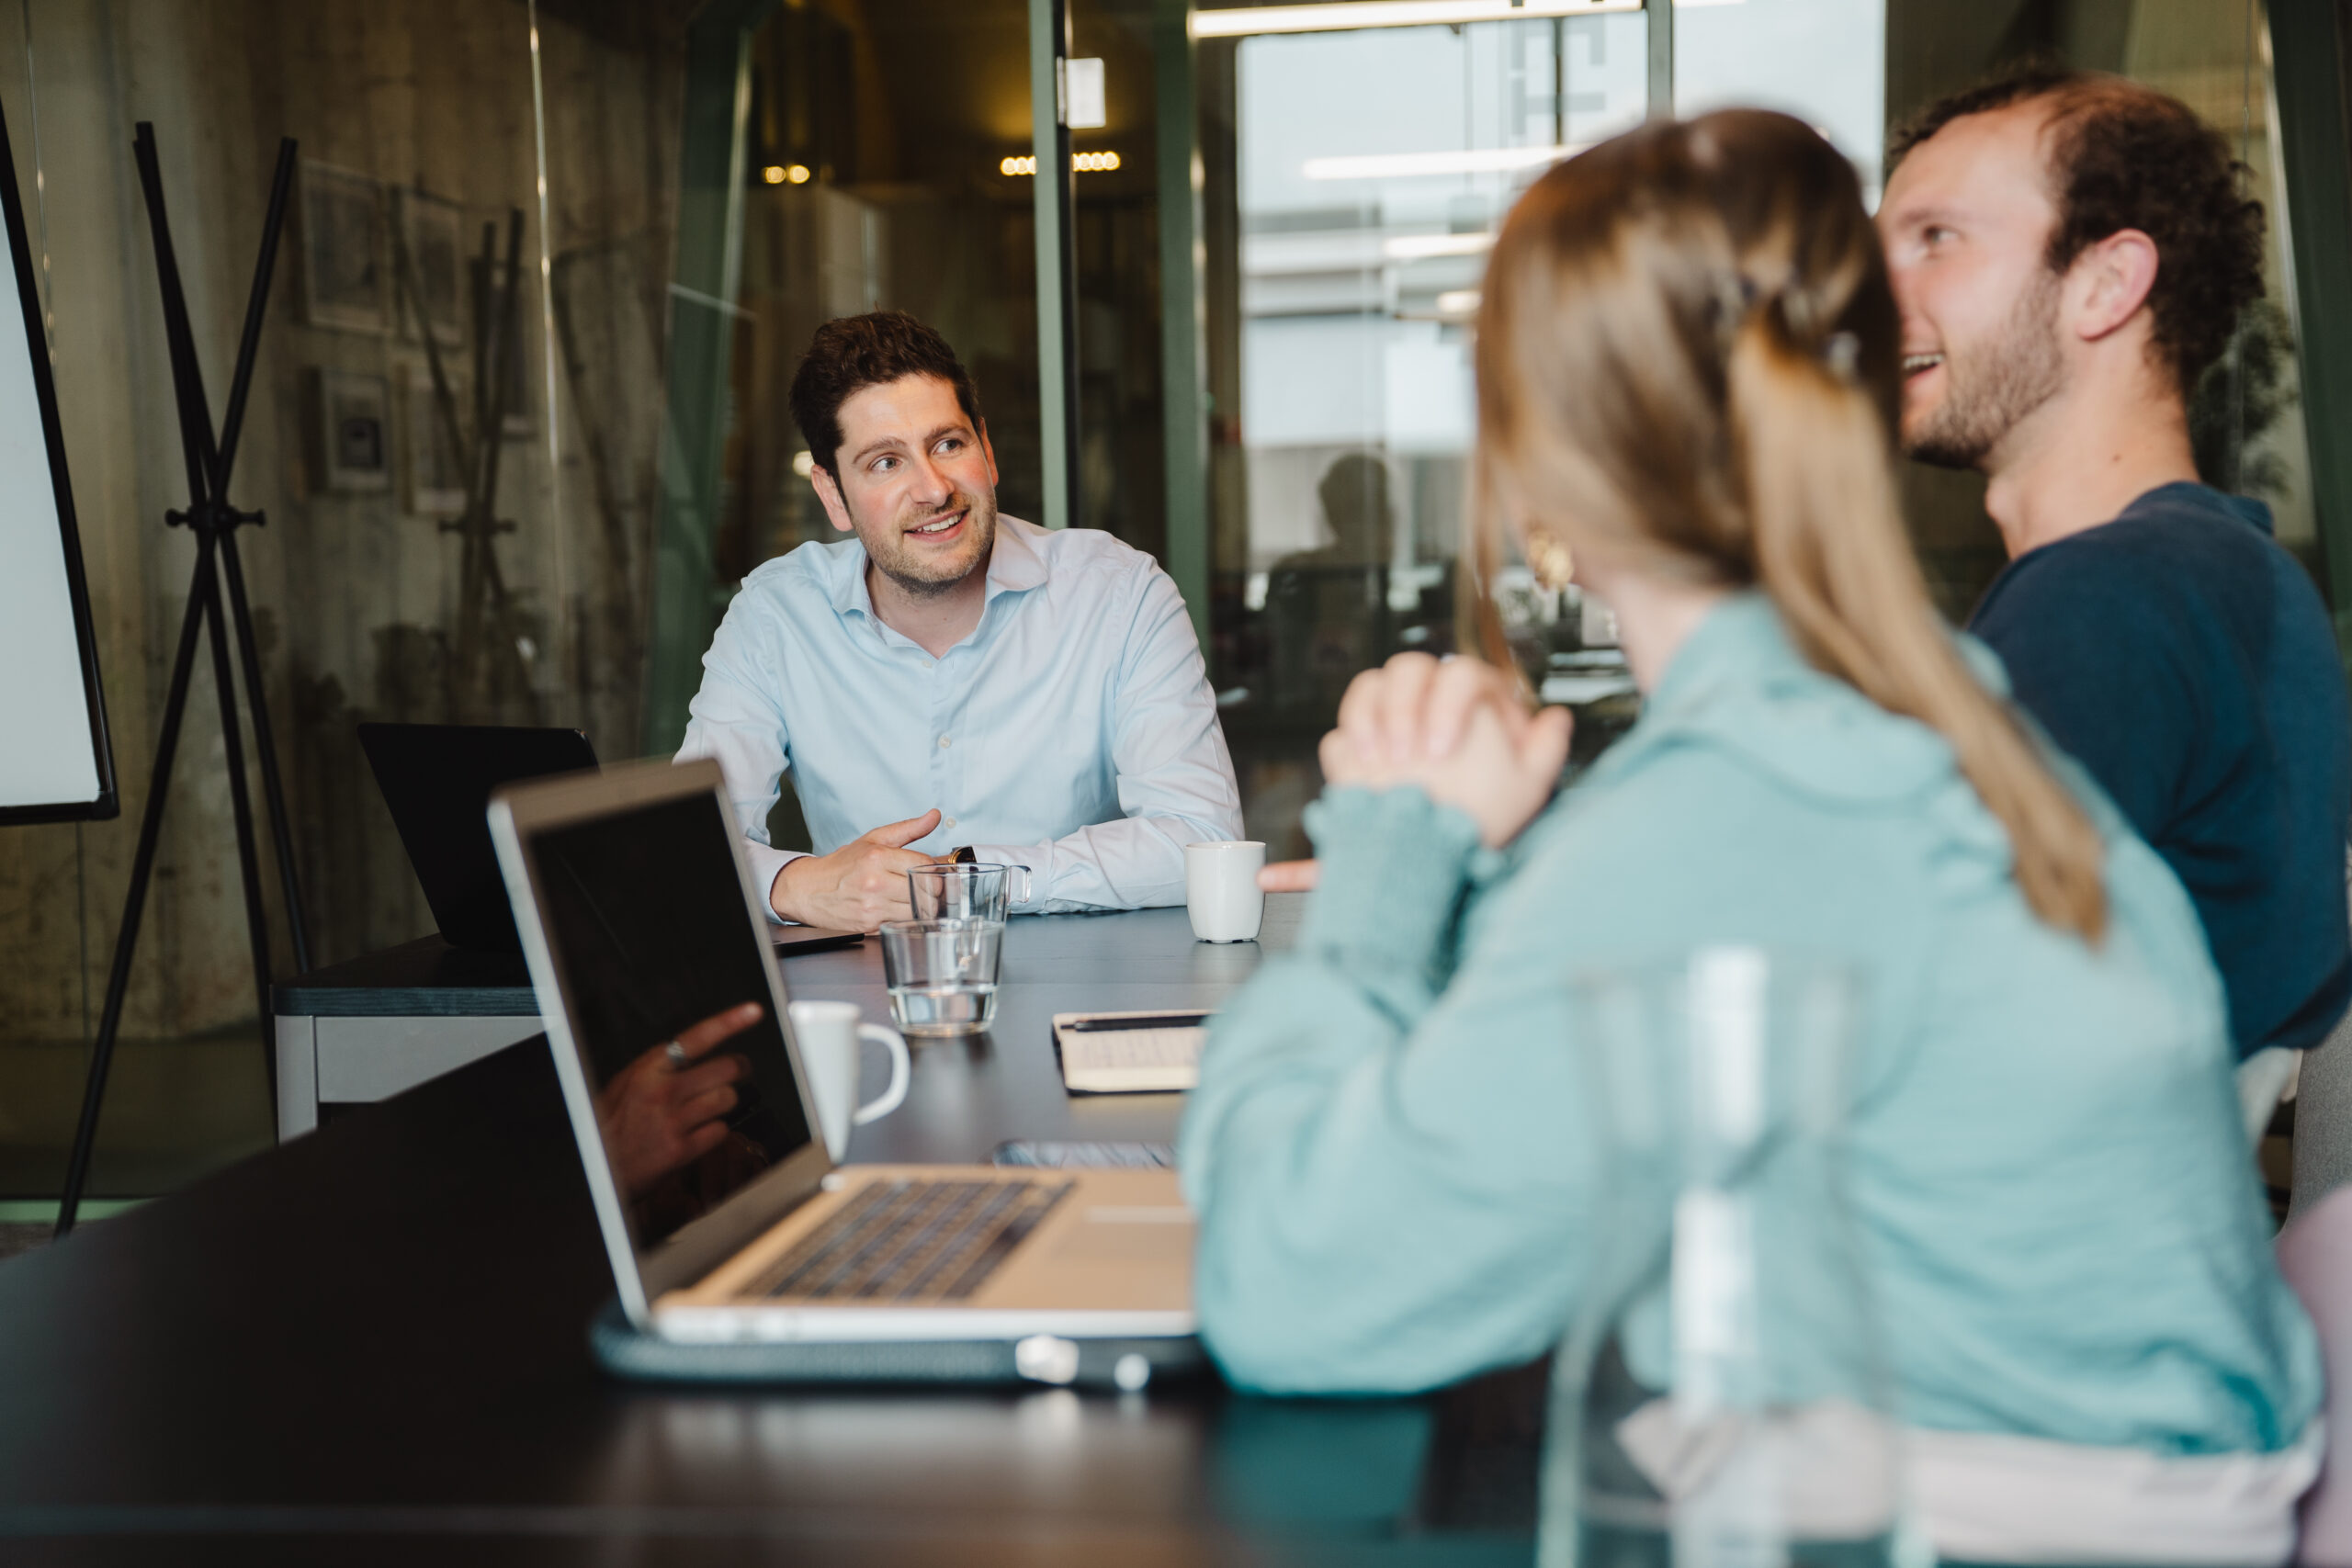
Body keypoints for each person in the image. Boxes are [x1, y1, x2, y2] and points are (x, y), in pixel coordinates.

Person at [1180, 110, 2320, 1557]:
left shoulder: (1749, 803)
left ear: (1551, 459)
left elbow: (1293, 1288)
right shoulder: (1938, 718)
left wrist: (1391, 860)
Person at [1878, 66, 2352, 1093]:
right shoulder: (2225, 569)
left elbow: (1928, 1017)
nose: (1876, 296)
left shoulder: (2109, 600)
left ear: (2104, 284)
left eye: (1935, 240)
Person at [677, 311, 1243, 931]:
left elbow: (1201, 837)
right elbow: (681, 849)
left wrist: (964, 879)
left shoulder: (1120, 595)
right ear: (833, 495)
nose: (932, 489)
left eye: (948, 444)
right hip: (870, 996)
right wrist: (799, 884)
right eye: (885, 463)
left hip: (1081, 992)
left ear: (987, 451)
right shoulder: (775, 616)